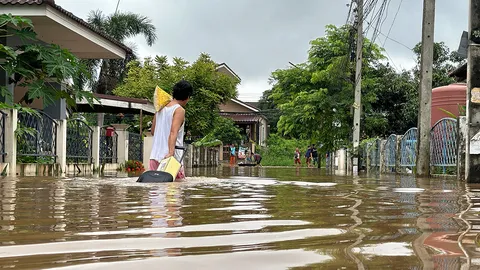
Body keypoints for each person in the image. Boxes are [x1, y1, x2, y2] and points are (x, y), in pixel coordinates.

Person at [149, 80, 193, 180]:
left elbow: (153, 131)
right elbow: (173, 132)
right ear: (187, 97)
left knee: (156, 192)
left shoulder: (160, 108)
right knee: (174, 191)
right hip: (171, 159)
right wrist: (171, 152)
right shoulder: (179, 110)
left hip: (154, 157)